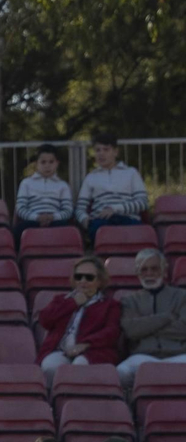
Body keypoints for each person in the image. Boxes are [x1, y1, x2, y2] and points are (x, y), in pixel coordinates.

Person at [36, 255, 122, 385]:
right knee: (50, 366)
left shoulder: (110, 305)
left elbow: (112, 331)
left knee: (79, 366)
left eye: (89, 277)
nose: (83, 281)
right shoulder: (62, 300)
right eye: (78, 277)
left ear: (99, 281)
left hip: (93, 351)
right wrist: (73, 303)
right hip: (60, 350)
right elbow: (45, 320)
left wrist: (86, 344)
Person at [116, 248, 186, 386]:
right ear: (137, 273)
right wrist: (166, 317)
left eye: (154, 268)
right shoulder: (129, 301)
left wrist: (145, 326)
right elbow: (131, 331)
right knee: (119, 373)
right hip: (143, 356)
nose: (149, 273)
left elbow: (183, 328)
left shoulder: (182, 296)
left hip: (179, 355)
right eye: (144, 269)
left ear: (164, 271)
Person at [77, 132, 149, 240]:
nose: (101, 154)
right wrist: (85, 219)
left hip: (128, 219)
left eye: (106, 149)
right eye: (98, 150)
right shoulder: (90, 177)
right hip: (101, 222)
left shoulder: (131, 173)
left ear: (115, 152)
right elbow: (80, 207)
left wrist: (115, 209)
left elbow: (143, 203)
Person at [13, 144, 75, 240]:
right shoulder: (26, 183)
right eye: (43, 162)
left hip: (56, 221)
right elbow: (20, 208)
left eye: (51, 162)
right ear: (36, 164)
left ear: (57, 163)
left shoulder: (63, 185)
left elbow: (68, 210)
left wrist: (53, 217)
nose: (47, 165)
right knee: (20, 229)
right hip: (32, 220)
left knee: (68, 229)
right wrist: (36, 217)